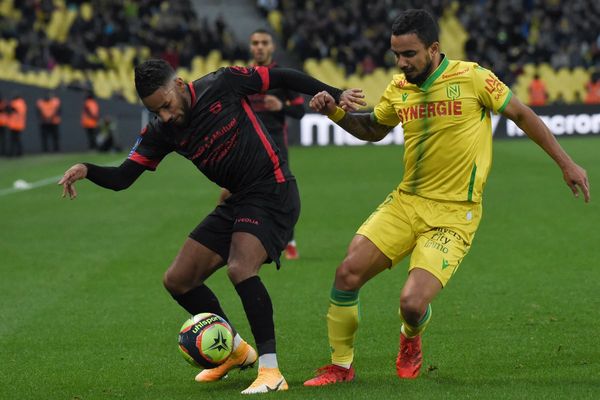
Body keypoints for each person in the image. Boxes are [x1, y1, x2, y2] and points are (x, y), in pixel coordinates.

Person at [303, 9, 590, 386]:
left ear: (434, 48)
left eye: (409, 55)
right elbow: (373, 129)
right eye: (396, 55)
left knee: (411, 303)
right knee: (346, 273)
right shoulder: (399, 87)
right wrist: (337, 113)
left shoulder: (472, 78)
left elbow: (521, 114)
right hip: (407, 201)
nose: (401, 63)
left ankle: (411, 337)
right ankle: (340, 365)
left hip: (455, 214)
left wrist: (566, 163)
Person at [58, 59, 365, 394]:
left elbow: (280, 76)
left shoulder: (224, 83)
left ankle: (270, 371)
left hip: (272, 190)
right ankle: (236, 352)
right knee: (178, 280)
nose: (164, 115)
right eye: (154, 111)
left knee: (240, 268)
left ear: (179, 85)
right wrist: (87, 169)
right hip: (237, 200)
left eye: (166, 106)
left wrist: (336, 93)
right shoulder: (162, 131)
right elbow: (122, 178)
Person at [218, 28, 305, 260]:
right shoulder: (241, 75)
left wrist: (281, 106)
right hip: (246, 145)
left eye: (264, 42)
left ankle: (290, 241)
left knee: (281, 192)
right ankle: (226, 238)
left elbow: (299, 110)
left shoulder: (281, 76)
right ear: (250, 47)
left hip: (275, 144)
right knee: (228, 192)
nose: (259, 47)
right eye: (255, 42)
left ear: (272, 47)